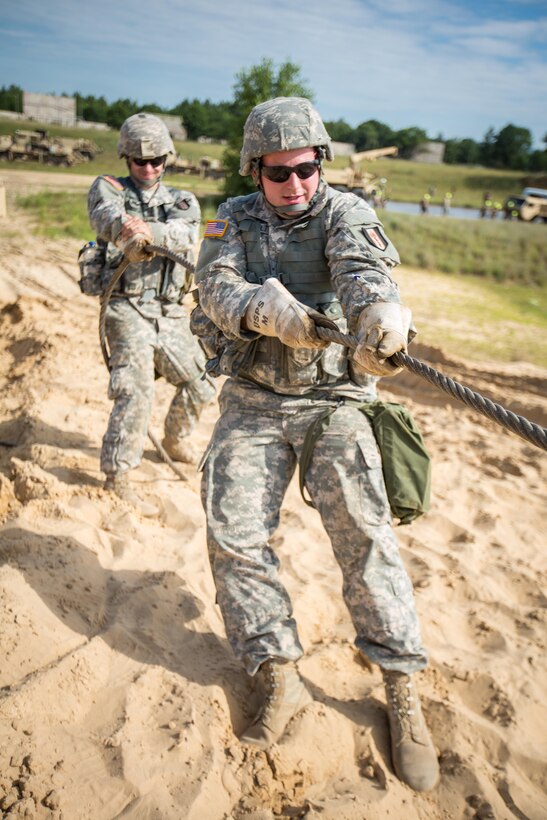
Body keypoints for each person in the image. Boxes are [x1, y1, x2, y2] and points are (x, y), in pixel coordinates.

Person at [192, 97, 439, 792]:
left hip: (335, 398)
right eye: (277, 173)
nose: (294, 184)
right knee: (234, 533)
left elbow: (362, 271)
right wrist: (257, 309)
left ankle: (400, 687)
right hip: (253, 396)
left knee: (364, 534)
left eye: (305, 168)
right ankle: (276, 671)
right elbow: (213, 285)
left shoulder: (346, 212)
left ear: (320, 163)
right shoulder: (233, 217)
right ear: (255, 171)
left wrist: (375, 318)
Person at [86, 112, 215, 515]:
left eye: (157, 160)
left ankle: (175, 439)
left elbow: (186, 234)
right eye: (140, 160)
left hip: (170, 314)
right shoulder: (108, 189)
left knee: (202, 381)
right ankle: (118, 472)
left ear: (168, 159)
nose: (149, 168)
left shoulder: (182, 201)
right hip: (126, 307)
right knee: (135, 389)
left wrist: (149, 234)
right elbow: (104, 216)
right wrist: (127, 229)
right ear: (126, 158)